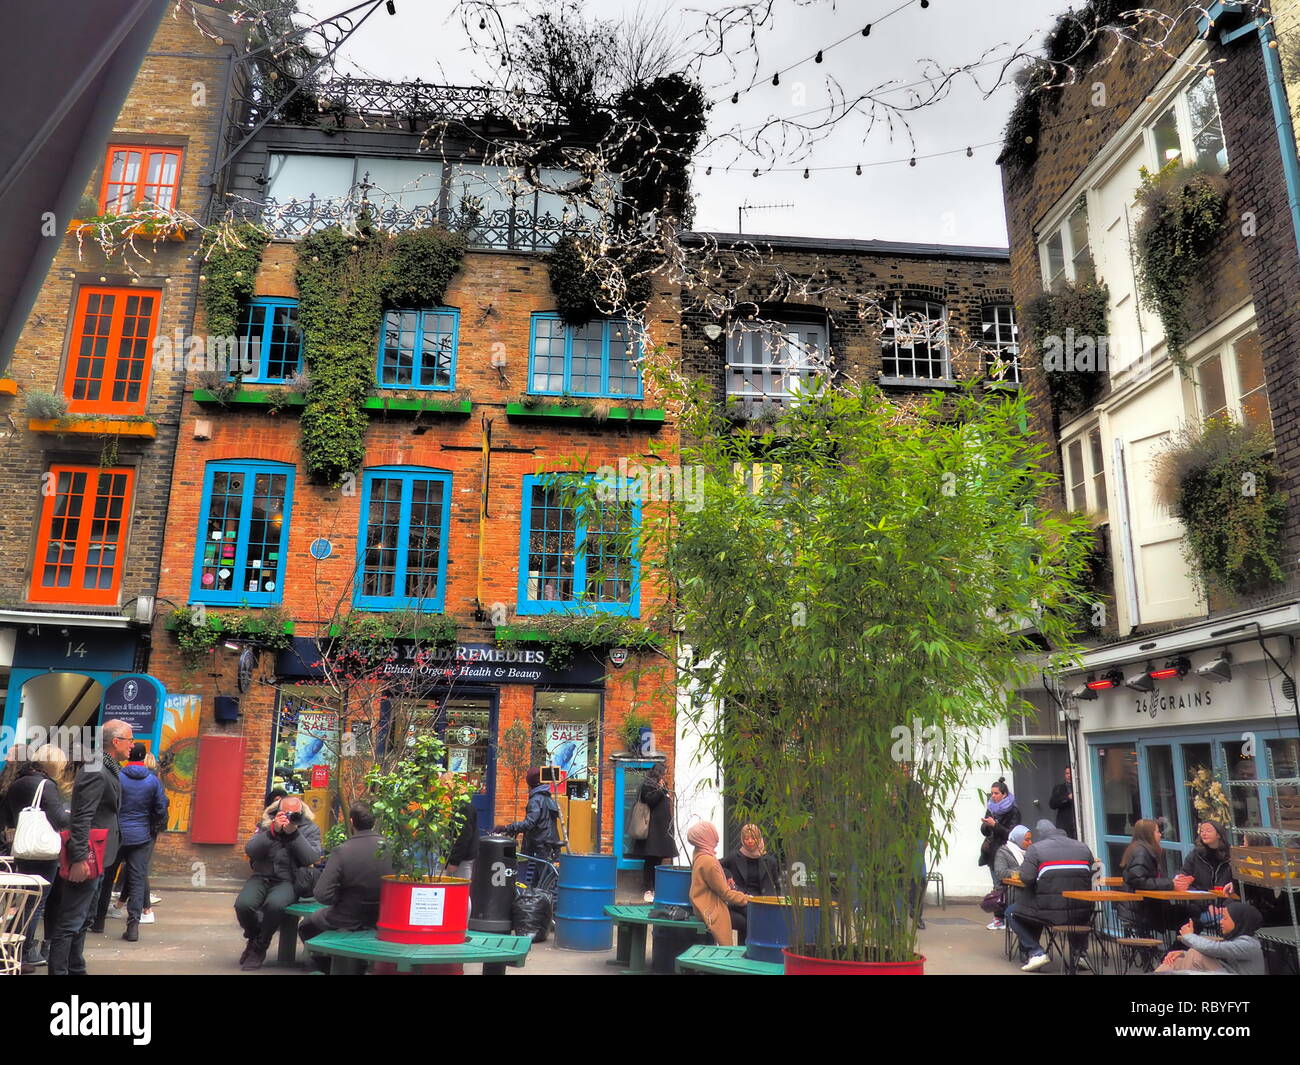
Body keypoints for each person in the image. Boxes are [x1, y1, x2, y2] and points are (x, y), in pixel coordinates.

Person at [47, 719, 134, 977]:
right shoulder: (97, 769)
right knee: (71, 919)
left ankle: (76, 967)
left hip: (101, 855)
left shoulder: (107, 768)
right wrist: (79, 857)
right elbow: (82, 816)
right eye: (130, 739)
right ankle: (60, 971)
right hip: (89, 856)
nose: (133, 745)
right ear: (116, 742)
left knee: (84, 918)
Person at [300, 801, 393, 973]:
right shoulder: (390, 848)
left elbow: (321, 894)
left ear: (351, 822)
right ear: (374, 822)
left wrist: (338, 898)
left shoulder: (342, 851)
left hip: (346, 917)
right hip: (382, 917)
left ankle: (327, 967)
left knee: (307, 925)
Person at [0, 744, 71, 972]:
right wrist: (72, 818)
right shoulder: (46, 785)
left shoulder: (18, 782)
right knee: (36, 902)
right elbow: (59, 819)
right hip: (42, 851)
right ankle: (24, 952)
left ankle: (13, 948)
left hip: (21, 846)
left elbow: (8, 816)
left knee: (22, 901)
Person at [234, 793, 321, 970]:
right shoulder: (266, 824)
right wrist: (272, 831)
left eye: (294, 813)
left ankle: (259, 948)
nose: (289, 817)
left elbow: (311, 857)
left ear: (301, 811)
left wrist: (294, 834)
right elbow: (251, 850)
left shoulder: (309, 828)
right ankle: (253, 936)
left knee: (274, 905)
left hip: (288, 880)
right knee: (243, 905)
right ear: (277, 811)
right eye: (285, 813)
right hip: (261, 876)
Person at [98, 743, 167, 943]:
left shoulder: (118, 777)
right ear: (144, 757)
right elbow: (160, 808)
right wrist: (152, 826)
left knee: (108, 877)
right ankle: (133, 927)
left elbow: (108, 804)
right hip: (141, 836)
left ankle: (99, 921)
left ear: (129, 756)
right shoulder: (153, 782)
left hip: (118, 834)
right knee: (137, 880)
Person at [1005, 818, 1094, 972]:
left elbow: (1027, 878)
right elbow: (1089, 873)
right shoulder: (1084, 848)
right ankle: (1079, 954)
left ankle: (1036, 952)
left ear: (1041, 835)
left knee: (1011, 912)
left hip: (1048, 912)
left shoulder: (1036, 849)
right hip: (1082, 911)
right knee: (1075, 912)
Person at [1156, 901, 1266, 975]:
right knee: (1176, 961)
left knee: (1195, 955)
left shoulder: (1249, 944)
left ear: (1238, 922)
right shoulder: (1236, 939)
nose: (1220, 921)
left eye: (1225, 918)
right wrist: (1182, 953)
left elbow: (1215, 949)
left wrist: (1189, 936)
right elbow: (1215, 953)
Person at [687, 821, 751, 946]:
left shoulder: (699, 854)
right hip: (710, 909)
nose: (716, 837)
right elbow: (725, 893)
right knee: (746, 921)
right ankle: (734, 955)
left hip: (701, 905)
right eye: (712, 834)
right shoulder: (709, 861)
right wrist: (748, 898)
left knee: (744, 916)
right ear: (706, 837)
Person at [496, 769, 562, 885]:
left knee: (543, 880)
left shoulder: (536, 800)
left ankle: (547, 901)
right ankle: (533, 900)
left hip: (541, 844)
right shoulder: (547, 798)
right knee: (539, 882)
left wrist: (506, 828)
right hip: (549, 842)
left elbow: (529, 823)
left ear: (531, 784)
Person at [722, 824, 781, 944]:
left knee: (751, 919)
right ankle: (752, 948)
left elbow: (776, 884)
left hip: (762, 900)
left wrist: (777, 901)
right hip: (741, 900)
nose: (749, 841)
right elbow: (718, 866)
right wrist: (728, 876)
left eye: (753, 838)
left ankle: (753, 949)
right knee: (752, 915)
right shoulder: (734, 856)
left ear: (759, 839)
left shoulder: (770, 861)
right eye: (746, 838)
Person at [628, 763, 678, 902]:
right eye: (664, 773)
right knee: (650, 860)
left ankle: (656, 889)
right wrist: (661, 789)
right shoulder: (648, 785)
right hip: (652, 830)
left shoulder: (662, 784)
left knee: (658, 860)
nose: (665, 775)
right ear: (659, 773)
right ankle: (648, 889)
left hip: (661, 830)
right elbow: (650, 801)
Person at [1120, 818, 1177, 936]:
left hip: (1140, 908)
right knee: (1191, 916)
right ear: (1149, 834)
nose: (1160, 835)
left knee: (1188, 914)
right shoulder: (1141, 852)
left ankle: (1173, 951)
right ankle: (1173, 952)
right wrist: (1171, 884)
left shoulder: (1139, 849)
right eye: (1157, 831)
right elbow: (1139, 880)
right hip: (1143, 911)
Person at [987, 824, 1031, 932]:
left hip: (1024, 885)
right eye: (1027, 840)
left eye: (1030, 839)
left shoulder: (1030, 852)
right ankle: (1013, 919)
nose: (1030, 842)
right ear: (1018, 839)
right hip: (1007, 888)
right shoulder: (1003, 852)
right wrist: (1019, 873)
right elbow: (1001, 873)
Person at [978, 778, 1020, 881]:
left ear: (1004, 794)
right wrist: (986, 825)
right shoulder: (991, 808)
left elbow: (1011, 835)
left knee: (1004, 884)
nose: (993, 796)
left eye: (996, 793)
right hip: (992, 851)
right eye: (992, 793)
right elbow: (985, 831)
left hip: (1005, 851)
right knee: (996, 885)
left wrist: (995, 825)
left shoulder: (1014, 811)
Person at [1049, 766, 1076, 838]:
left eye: (1070, 773)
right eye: (1067, 773)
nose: (1069, 775)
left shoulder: (1081, 786)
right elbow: (1052, 804)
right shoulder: (1059, 788)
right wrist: (1067, 798)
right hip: (1065, 824)